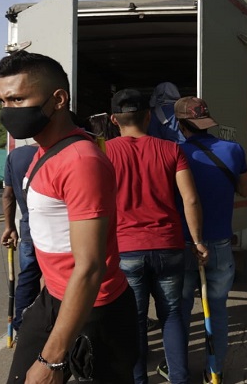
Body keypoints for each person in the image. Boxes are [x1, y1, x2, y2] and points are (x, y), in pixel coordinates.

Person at [0, 50, 138, 384]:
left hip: (97, 310)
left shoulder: (80, 161)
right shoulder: (42, 151)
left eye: (17, 99)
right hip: (54, 297)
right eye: (2, 100)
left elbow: (90, 266)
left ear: (58, 99)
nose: (8, 111)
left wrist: (52, 358)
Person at [104, 89, 208, 384]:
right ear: (148, 116)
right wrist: (198, 241)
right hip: (169, 245)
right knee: (172, 315)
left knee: (134, 321)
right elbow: (190, 200)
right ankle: (179, 378)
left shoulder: (103, 152)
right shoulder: (171, 150)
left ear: (114, 119)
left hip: (126, 249)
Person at [173, 96, 247, 383]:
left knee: (179, 311)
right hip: (218, 243)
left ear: (180, 124)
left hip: (183, 243)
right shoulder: (232, 150)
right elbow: (244, 190)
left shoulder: (174, 152)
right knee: (217, 309)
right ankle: (215, 370)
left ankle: (176, 368)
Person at [0, 143, 43, 331]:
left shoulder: (15, 155)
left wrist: (10, 227)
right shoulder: (54, 151)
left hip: (28, 228)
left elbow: (8, 195)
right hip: (54, 230)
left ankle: (22, 326)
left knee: (28, 277)